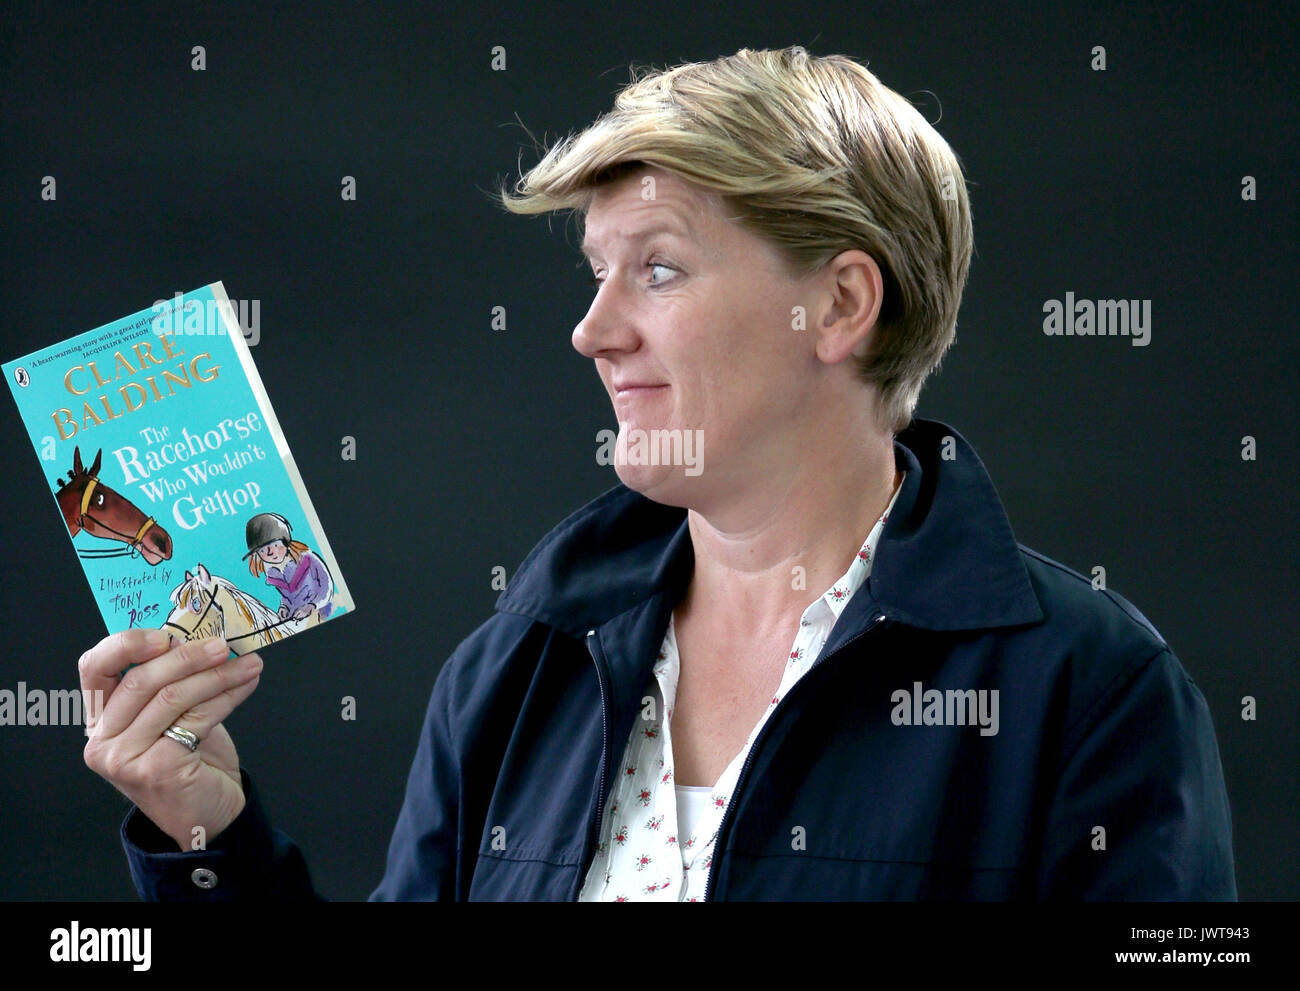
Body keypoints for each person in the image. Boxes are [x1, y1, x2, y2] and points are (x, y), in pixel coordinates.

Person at [80, 46, 1236, 901]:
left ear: (837, 303)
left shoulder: (1095, 690)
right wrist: (207, 836)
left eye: (661, 269)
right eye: (595, 273)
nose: (592, 331)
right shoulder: (513, 670)